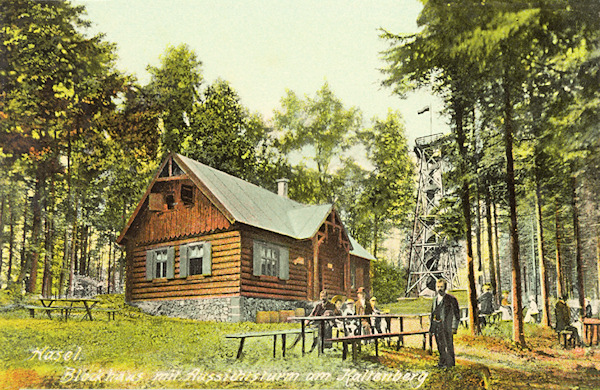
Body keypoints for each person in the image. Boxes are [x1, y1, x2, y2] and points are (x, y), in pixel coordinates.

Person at [430, 279, 460, 368]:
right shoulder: (435, 299)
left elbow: (456, 314)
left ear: (445, 287)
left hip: (447, 326)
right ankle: (442, 363)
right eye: (438, 287)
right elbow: (432, 313)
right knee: (440, 345)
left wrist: (454, 327)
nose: (440, 289)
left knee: (448, 345)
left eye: (441, 287)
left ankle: (450, 364)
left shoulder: (451, 299)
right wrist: (432, 327)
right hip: (437, 325)